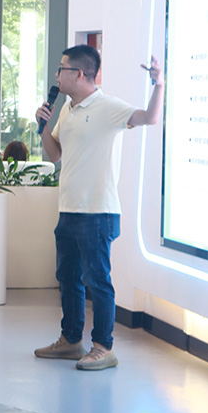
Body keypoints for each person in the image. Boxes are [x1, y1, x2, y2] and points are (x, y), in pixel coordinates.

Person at [34, 45, 163, 371]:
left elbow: (149, 118)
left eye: (61, 69)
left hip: (97, 212)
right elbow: (55, 154)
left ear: (79, 73)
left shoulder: (108, 106)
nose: (56, 75)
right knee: (68, 278)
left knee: (97, 281)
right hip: (69, 209)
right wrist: (44, 127)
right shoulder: (67, 109)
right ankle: (71, 340)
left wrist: (158, 83)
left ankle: (104, 347)